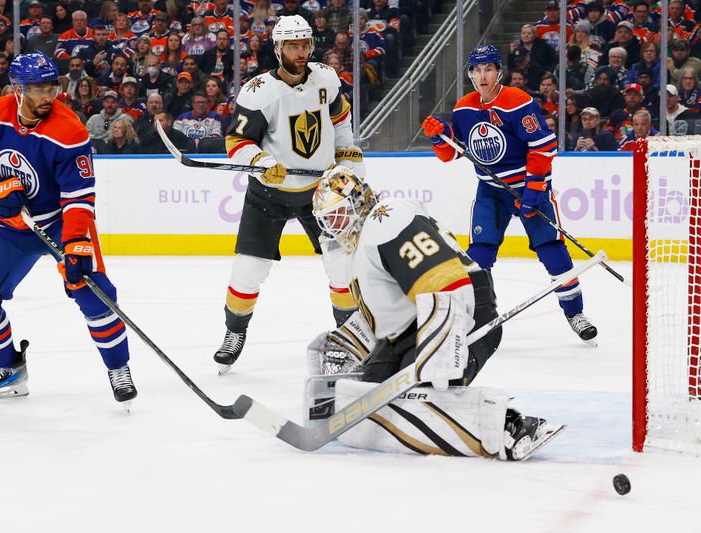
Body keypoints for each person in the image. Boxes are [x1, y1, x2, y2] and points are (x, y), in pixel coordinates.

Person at [305, 166, 561, 459]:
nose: (335, 226)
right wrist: (352, 339)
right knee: (367, 399)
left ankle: (509, 427)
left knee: (420, 395)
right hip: (417, 324)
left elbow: (445, 281)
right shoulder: (361, 249)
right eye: (327, 220)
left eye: (338, 214)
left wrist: (442, 344)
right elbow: (388, 311)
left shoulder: (386, 217)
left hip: (464, 313)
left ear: (359, 200)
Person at [0, 51, 137, 403]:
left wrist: (74, 245)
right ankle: (10, 370)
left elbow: (79, 199)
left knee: (96, 294)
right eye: (37, 89)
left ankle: (119, 368)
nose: (47, 96)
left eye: (51, 87)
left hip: (59, 224)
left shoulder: (69, 131)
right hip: (11, 228)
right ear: (17, 89)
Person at [213, 15, 366, 373]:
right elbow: (236, 141)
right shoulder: (259, 92)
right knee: (248, 270)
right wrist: (262, 159)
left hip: (321, 193)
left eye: (305, 45)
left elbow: (341, 123)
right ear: (278, 48)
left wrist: (349, 169)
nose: (301, 52)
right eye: (293, 46)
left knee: (342, 268)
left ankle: (351, 340)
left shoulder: (327, 78)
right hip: (269, 195)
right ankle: (234, 333)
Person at [421, 44, 597, 344]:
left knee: (552, 251)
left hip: (530, 187)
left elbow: (543, 147)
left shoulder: (517, 101)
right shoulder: (463, 108)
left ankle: (575, 314)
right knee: (478, 255)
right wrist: (440, 136)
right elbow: (453, 154)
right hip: (491, 191)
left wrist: (534, 188)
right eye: (476, 70)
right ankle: (478, 316)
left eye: (488, 68)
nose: (482, 76)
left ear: (498, 71)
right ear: (470, 74)